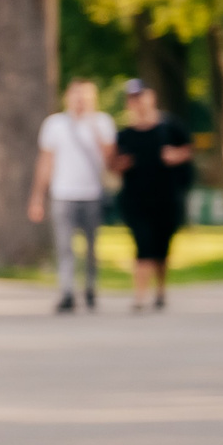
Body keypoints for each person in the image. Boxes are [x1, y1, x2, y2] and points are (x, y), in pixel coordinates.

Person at [26, 79, 117, 313]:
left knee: (91, 248)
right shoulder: (55, 124)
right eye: (76, 95)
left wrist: (94, 129)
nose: (80, 100)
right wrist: (38, 196)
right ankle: (66, 291)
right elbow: (45, 161)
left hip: (92, 194)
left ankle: (90, 287)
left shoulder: (103, 123)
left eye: (85, 95)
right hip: (63, 193)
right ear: (67, 96)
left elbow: (111, 160)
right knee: (64, 246)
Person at [113, 78, 194, 311]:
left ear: (152, 97)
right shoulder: (126, 134)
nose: (137, 102)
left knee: (161, 248)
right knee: (143, 246)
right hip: (136, 200)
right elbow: (113, 163)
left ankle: (160, 291)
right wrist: (121, 164)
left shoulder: (170, 126)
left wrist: (175, 155)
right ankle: (139, 297)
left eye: (140, 96)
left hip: (167, 198)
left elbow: (188, 149)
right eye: (132, 98)